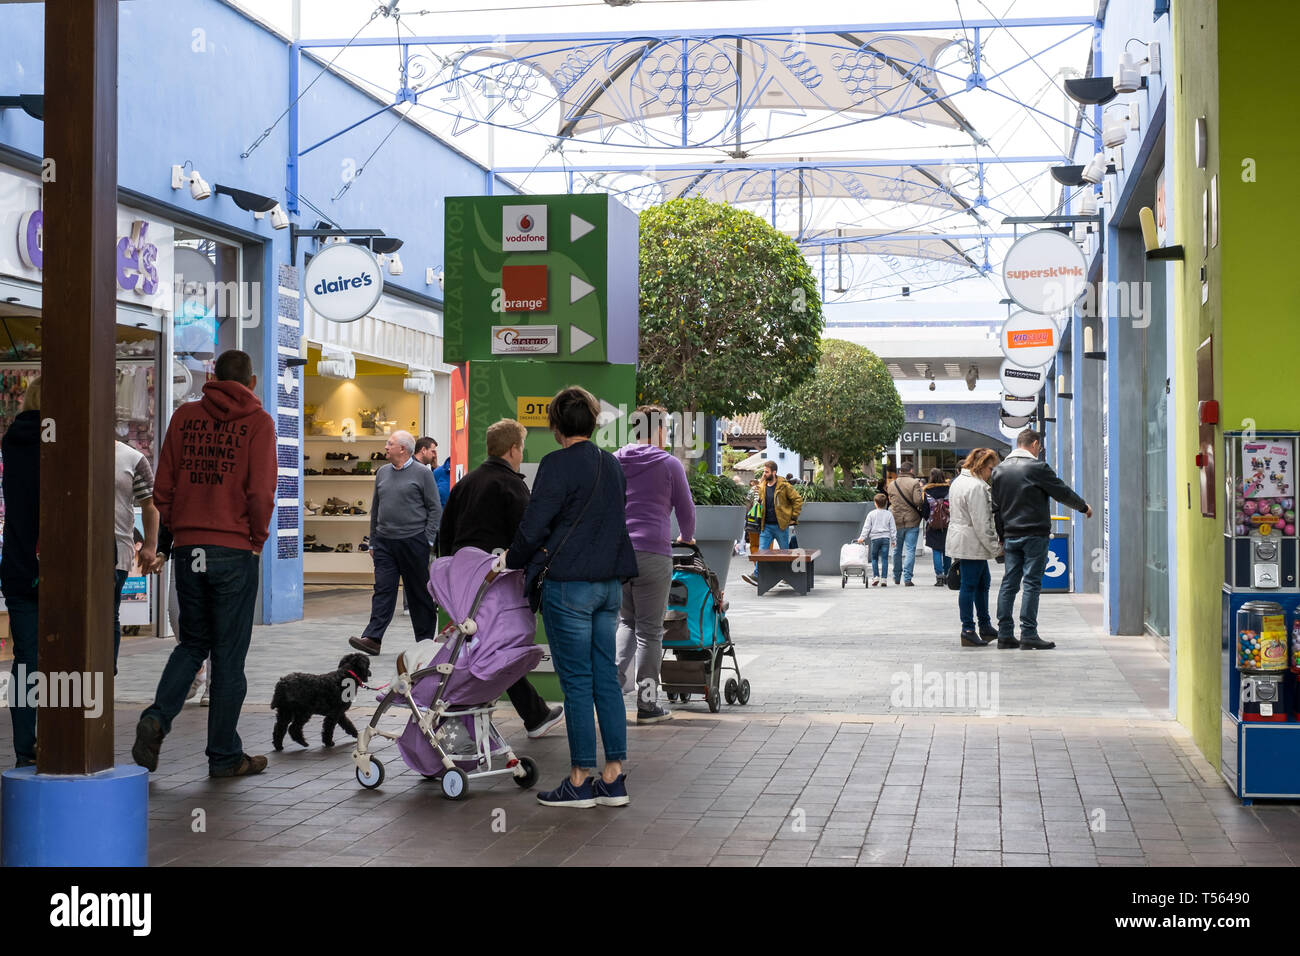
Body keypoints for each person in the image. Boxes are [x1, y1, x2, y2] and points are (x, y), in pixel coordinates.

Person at [133, 350, 276, 777]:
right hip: (233, 549)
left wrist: (172, 537)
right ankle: (224, 756)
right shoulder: (259, 422)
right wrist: (256, 540)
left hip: (189, 549)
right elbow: (261, 492)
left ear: (212, 377)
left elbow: (164, 487)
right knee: (229, 657)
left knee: (192, 644)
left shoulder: (184, 417)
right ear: (251, 381)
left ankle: (158, 717)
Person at [505, 386, 637, 809]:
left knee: (577, 682)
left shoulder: (555, 464)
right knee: (605, 680)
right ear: (594, 422)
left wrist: (511, 559)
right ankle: (613, 779)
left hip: (569, 587)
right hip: (609, 585)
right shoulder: (612, 465)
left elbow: (535, 524)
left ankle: (579, 780)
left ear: (556, 425)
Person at [438, 418, 564, 740]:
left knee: (480, 648)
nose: (522, 454)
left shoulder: (465, 483)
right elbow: (528, 535)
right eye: (521, 448)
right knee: (497, 651)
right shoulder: (510, 484)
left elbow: (445, 535)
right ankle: (528, 715)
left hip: (461, 585)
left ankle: (531, 714)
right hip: (495, 584)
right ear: (512, 449)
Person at [614, 405, 696, 724]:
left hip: (620, 553)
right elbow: (686, 511)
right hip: (653, 552)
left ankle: (609, 688)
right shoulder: (668, 464)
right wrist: (686, 536)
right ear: (660, 430)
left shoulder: (615, 459)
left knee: (625, 623)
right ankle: (647, 706)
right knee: (649, 632)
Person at [990, 429, 1092, 650]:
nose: (1040, 450)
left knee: (1009, 584)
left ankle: (1005, 634)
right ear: (1034, 444)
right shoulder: (1038, 468)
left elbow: (995, 508)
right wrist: (1083, 507)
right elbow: (1061, 492)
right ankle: (1028, 633)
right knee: (1032, 584)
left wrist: (1002, 535)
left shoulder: (998, 471)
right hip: (1035, 534)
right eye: (1040, 447)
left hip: (1010, 535)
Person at [349, 430, 442, 655]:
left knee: (419, 593)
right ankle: (373, 638)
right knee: (383, 590)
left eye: (389, 444)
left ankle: (425, 642)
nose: (385, 447)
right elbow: (376, 509)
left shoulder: (422, 474)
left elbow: (435, 508)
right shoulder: (382, 473)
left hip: (413, 542)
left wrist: (427, 540)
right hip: (384, 543)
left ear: (403, 449)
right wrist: (372, 541)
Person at [2, 377, 40, 767]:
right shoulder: (65, 442)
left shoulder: (12, 441)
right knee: (68, 656)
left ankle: (25, 746)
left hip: (18, 563)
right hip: (60, 567)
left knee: (26, 660)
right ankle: (64, 737)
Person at [946, 450, 1002, 646]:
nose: (991, 473)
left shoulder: (959, 481)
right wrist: (996, 548)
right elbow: (982, 522)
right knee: (970, 585)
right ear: (980, 466)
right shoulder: (977, 487)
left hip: (963, 538)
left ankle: (984, 626)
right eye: (990, 468)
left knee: (981, 582)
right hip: (972, 541)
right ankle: (968, 629)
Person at [113, 440, 159, 670]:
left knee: (108, 615)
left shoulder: (133, 458)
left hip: (116, 547)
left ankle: (104, 675)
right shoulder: (73, 451)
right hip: (75, 546)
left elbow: (150, 504)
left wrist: (150, 546)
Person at [741, 460, 803, 587]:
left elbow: (797, 499)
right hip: (766, 526)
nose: (765, 474)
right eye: (764, 471)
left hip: (781, 525)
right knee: (762, 551)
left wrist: (793, 516)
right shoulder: (763, 486)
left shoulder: (784, 486)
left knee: (784, 553)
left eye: (767, 472)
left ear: (774, 472)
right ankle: (757, 575)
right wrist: (761, 480)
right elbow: (755, 494)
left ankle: (788, 576)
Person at [887, 460, 926, 586]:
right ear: (911, 471)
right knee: (910, 550)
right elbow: (918, 502)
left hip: (896, 520)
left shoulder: (892, 484)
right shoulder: (914, 483)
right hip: (912, 520)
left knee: (896, 550)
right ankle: (907, 578)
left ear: (900, 471)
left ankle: (896, 577)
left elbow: (891, 500)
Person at [855, 493, 895, 587]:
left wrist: (862, 538)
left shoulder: (871, 514)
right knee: (884, 559)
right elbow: (893, 528)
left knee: (874, 558)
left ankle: (876, 576)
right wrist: (894, 540)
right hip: (885, 539)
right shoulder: (889, 514)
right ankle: (884, 579)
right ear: (886, 503)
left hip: (875, 539)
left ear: (875, 503)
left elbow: (866, 527)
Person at [923, 467, 952, 587]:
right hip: (948, 524)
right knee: (947, 550)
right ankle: (948, 575)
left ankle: (939, 576)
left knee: (936, 550)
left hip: (933, 525)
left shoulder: (927, 491)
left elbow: (925, 510)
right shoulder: (950, 489)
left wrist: (929, 519)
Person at [414, 435, 451, 507]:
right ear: (424, 450)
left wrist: (435, 467)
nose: (434, 455)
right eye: (433, 451)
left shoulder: (423, 469)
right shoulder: (413, 469)